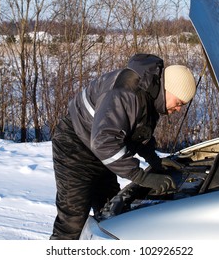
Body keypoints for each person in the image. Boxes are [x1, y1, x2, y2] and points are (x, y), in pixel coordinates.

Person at [50, 53, 196, 240]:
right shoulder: (126, 93)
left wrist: (155, 160)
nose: (178, 109)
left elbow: (136, 133)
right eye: (179, 103)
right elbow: (104, 142)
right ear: (169, 89)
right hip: (75, 146)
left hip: (100, 149)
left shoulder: (150, 94)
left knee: (112, 212)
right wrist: (141, 177)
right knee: (73, 218)